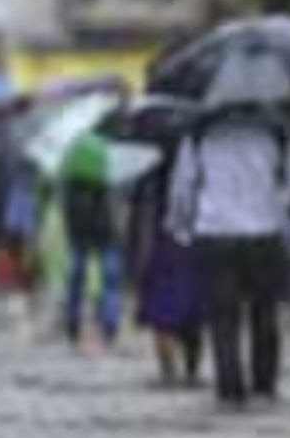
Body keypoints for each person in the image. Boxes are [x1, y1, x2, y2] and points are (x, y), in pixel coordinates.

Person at [166, 106, 290, 406]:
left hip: (215, 232)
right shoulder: (275, 131)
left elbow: (182, 188)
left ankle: (230, 388)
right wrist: (276, 202)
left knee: (222, 316)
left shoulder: (200, 134)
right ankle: (263, 385)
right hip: (264, 232)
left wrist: (180, 228)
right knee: (265, 313)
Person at [128, 141, 205, 387]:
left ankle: (169, 373)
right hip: (192, 245)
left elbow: (138, 219)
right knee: (192, 313)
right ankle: (189, 372)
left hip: (163, 247)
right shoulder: (199, 165)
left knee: (163, 316)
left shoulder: (147, 174)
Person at [60, 166, 123, 349]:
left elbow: (67, 209)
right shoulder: (108, 173)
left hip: (80, 234)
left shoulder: (71, 177)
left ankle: (73, 322)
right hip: (105, 234)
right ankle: (109, 324)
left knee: (75, 280)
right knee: (109, 280)